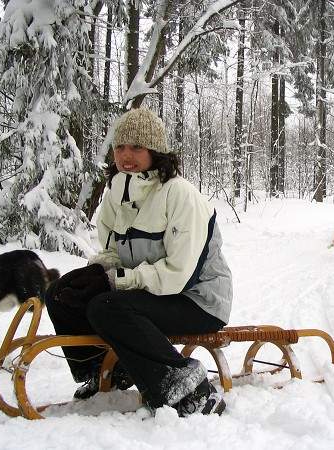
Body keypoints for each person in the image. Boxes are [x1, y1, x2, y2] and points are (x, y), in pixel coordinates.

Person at [45, 108, 232, 417]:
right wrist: (98, 271)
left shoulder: (179, 194)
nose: (126, 155)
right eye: (120, 147)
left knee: (107, 306)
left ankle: (189, 389)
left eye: (136, 147)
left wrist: (114, 281)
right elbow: (111, 252)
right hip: (153, 293)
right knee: (61, 294)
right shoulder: (115, 193)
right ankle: (104, 372)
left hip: (197, 300)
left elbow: (178, 275)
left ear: (155, 152)